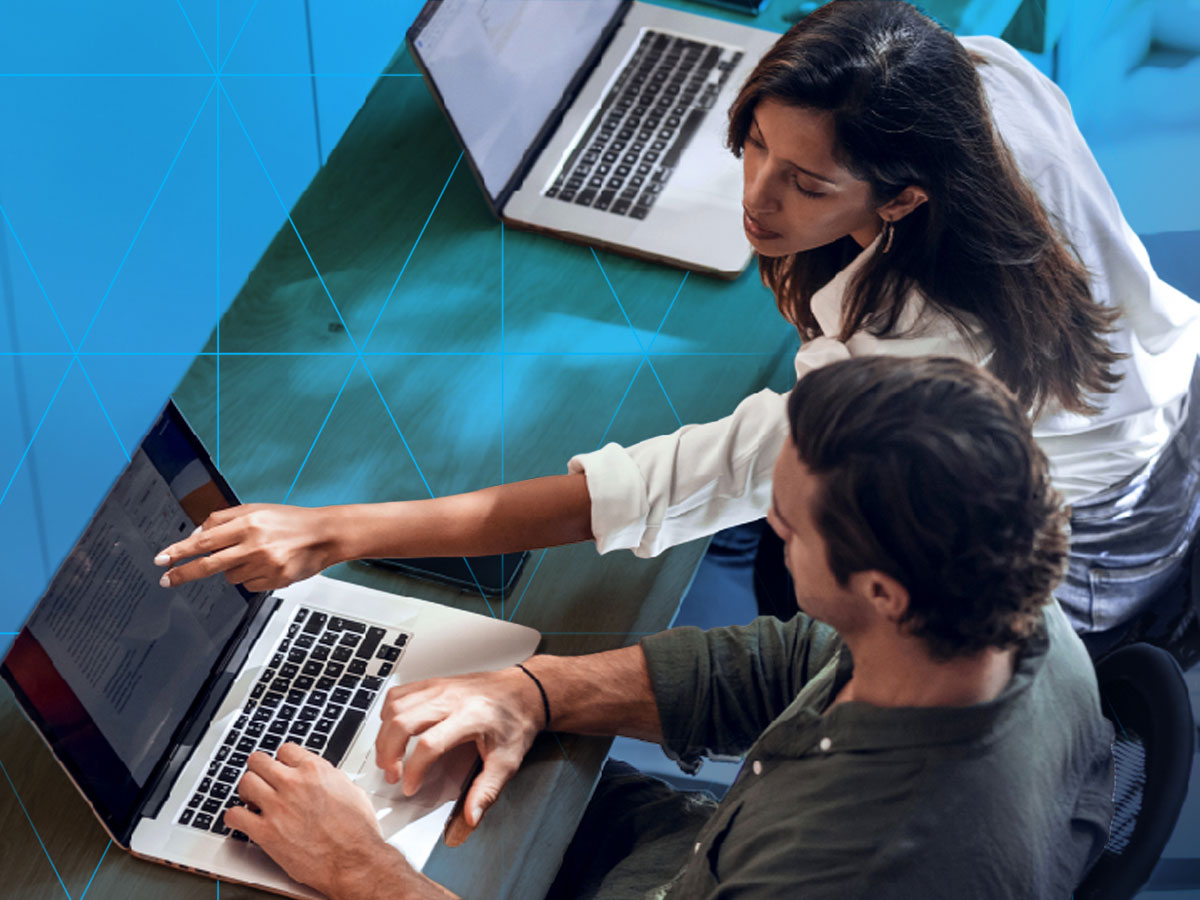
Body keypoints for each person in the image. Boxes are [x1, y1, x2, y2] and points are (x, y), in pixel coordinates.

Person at [155, 1, 1200, 645]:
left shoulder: (918, 369)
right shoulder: (977, 74)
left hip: (1092, 553)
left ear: (902, 199)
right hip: (1164, 403)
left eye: (805, 183)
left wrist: (336, 530)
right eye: (750, 144)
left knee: (781, 574)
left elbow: (666, 484)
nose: (755, 201)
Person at [222, 356, 1114, 899]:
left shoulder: (851, 869)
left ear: (881, 591)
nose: (769, 525)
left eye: (791, 524)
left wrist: (360, 873)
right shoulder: (1014, 622)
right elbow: (799, 659)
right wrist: (531, 691)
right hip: (693, 855)